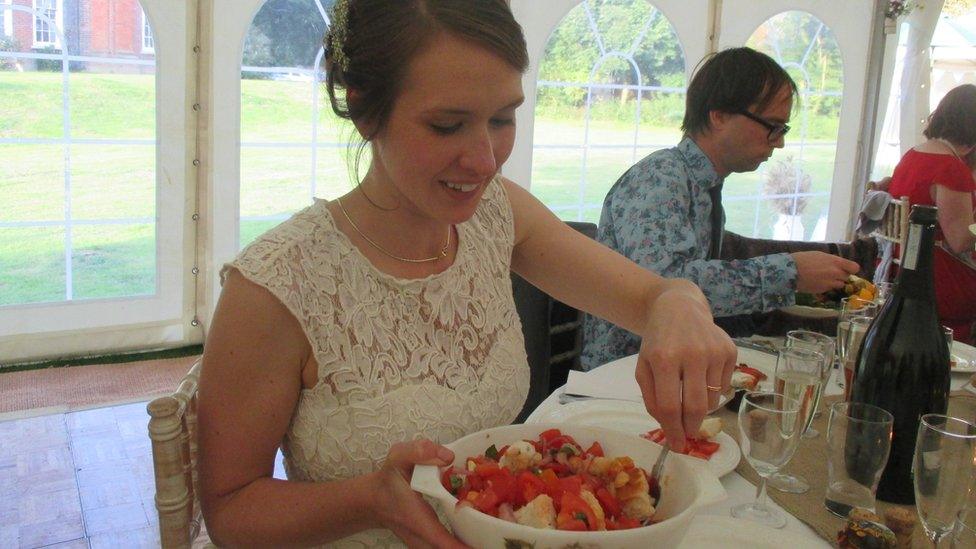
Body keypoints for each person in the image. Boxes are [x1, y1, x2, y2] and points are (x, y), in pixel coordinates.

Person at [196, 1, 736, 546]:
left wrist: (680, 304)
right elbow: (231, 512)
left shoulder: (499, 215)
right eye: (447, 125)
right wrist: (371, 501)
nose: (485, 160)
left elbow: (650, 295)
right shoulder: (277, 285)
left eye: (502, 118)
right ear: (364, 108)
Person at [582, 47, 860, 370]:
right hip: (619, 382)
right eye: (772, 126)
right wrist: (790, 272)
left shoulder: (704, 187)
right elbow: (668, 287)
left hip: (663, 371)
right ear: (719, 115)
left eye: (782, 129)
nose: (779, 142)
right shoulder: (659, 177)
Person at [886, 83, 976, 344]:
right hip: (935, 282)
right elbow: (960, 239)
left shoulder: (913, 155)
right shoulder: (950, 169)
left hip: (902, 269)